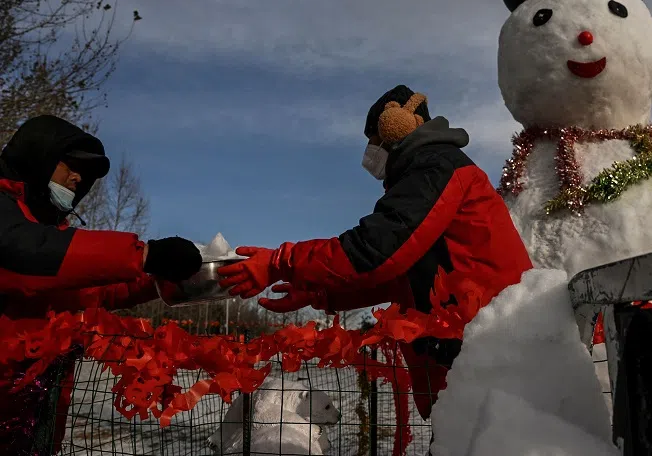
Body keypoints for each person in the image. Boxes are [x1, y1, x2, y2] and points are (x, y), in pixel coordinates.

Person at [218, 85, 534, 424]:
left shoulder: (435, 167)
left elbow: (376, 250)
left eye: (374, 138)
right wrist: (318, 291)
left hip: (489, 368)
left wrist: (281, 262)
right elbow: (397, 276)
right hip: (476, 366)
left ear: (396, 127)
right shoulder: (432, 171)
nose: (370, 150)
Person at [0, 114, 203, 455]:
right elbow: (24, 257)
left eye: (87, 173)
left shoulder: (52, 232)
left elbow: (88, 292)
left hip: (36, 416)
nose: (79, 179)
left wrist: (155, 282)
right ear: (39, 157)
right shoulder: (13, 220)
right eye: (71, 165)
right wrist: (144, 255)